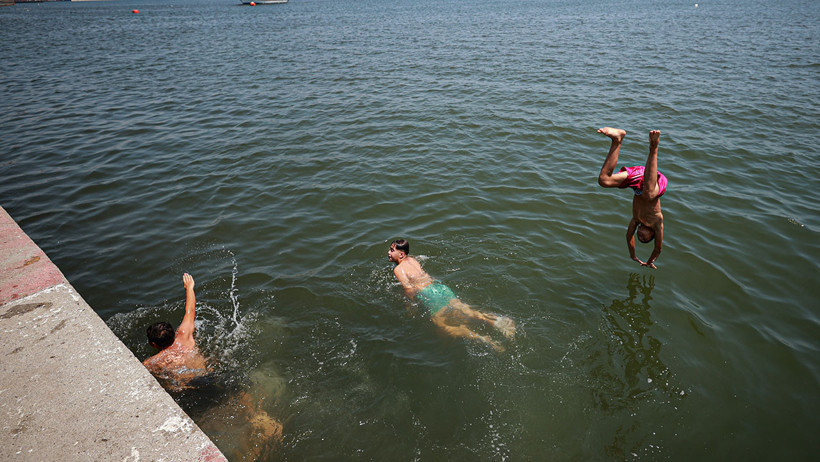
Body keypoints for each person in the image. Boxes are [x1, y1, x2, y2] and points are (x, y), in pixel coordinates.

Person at [143, 273, 282, 457]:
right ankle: (260, 419)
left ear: (153, 344)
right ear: (173, 333)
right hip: (213, 377)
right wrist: (190, 288)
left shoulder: (153, 362)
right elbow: (189, 310)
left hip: (194, 389)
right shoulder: (184, 336)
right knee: (239, 396)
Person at [388, 239, 515, 350]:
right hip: (440, 287)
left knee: (443, 324)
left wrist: (409, 306)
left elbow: (408, 289)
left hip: (429, 294)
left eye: (391, 250)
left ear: (401, 254)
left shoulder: (398, 269)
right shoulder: (412, 259)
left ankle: (484, 339)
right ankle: (498, 321)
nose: (388, 252)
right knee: (466, 310)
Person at [596, 128, 666, 269]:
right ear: (652, 234)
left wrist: (633, 255)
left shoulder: (636, 220)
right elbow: (658, 249)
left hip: (641, 179)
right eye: (644, 238)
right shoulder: (657, 223)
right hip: (655, 182)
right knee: (650, 195)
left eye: (639, 237)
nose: (640, 235)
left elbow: (629, 237)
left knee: (604, 180)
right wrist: (650, 261)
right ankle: (654, 147)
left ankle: (617, 140)